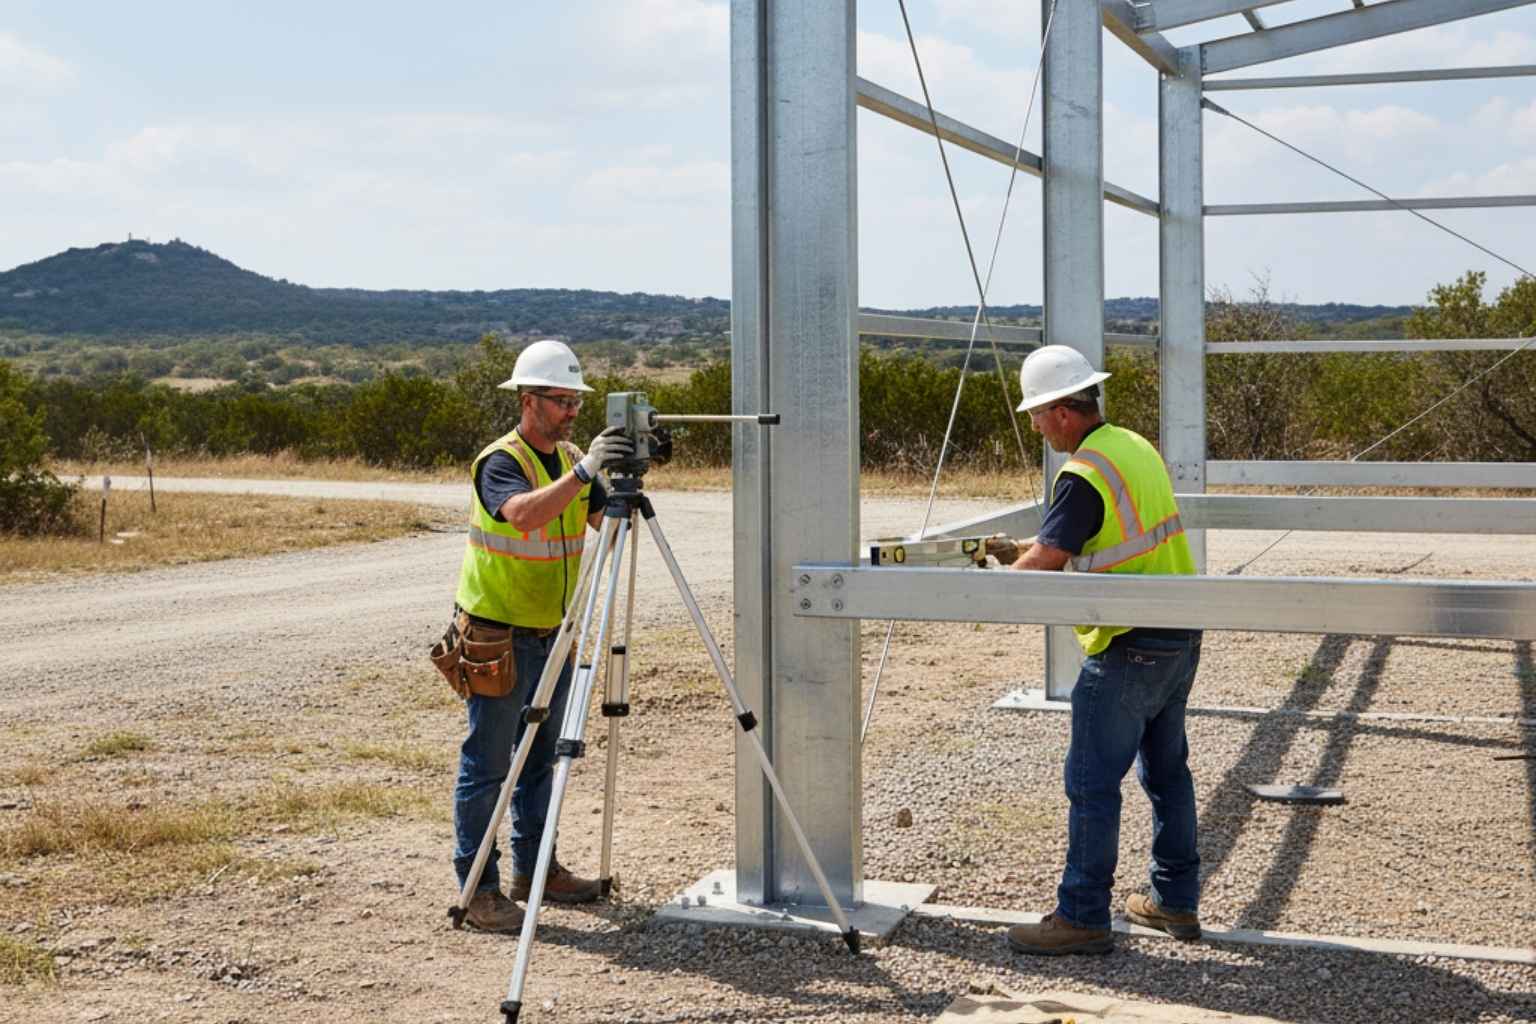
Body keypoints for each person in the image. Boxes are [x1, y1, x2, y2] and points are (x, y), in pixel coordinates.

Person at [1001, 345, 1204, 956]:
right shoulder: (1133, 445)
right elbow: (1113, 534)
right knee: (1168, 774)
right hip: (1178, 631)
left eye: (1037, 413)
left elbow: (1048, 559)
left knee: (1091, 783)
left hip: (1128, 644)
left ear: (1064, 411)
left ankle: (1083, 915)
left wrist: (993, 584)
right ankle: (1174, 902)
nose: (1035, 426)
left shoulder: (1083, 471)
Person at [449, 338, 632, 932]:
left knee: (543, 761)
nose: (573, 412)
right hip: (498, 633)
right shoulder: (500, 461)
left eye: (577, 401)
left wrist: (625, 479)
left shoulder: (570, 457)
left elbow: (605, 518)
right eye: (561, 401)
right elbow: (522, 514)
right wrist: (584, 472)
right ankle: (479, 890)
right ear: (528, 401)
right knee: (489, 764)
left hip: (554, 632)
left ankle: (537, 870)